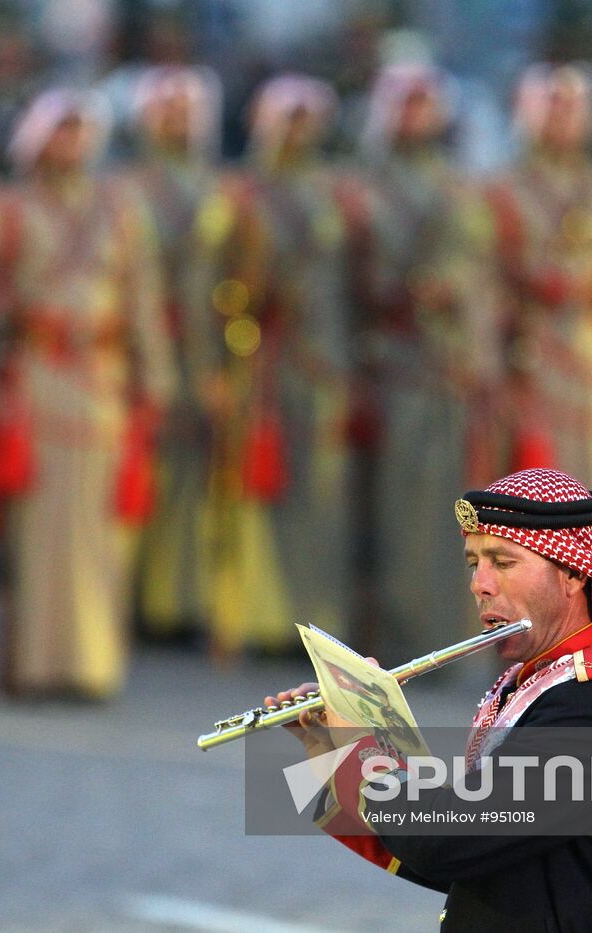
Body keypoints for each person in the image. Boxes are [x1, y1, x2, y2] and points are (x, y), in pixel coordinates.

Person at [270, 468, 592, 931]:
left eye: (503, 563)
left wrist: (362, 750)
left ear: (572, 572)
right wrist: (329, 753)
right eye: (474, 563)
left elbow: (447, 840)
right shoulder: (546, 687)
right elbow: (469, 859)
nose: (479, 584)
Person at [0, 88, 174, 699]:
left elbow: (143, 298)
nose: (69, 142)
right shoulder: (9, 209)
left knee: (100, 532)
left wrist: (158, 378)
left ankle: (92, 665)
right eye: (58, 130)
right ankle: (36, 665)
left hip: (103, 385)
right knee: (36, 531)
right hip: (37, 382)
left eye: (78, 130)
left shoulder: (122, 210)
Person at [206, 74, 356, 656]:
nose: (297, 130)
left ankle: (313, 620)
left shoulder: (334, 197)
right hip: (260, 365)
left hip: (322, 365)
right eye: (285, 118)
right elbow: (214, 285)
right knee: (256, 495)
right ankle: (255, 619)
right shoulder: (239, 198)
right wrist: (217, 361)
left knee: (320, 496)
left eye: (305, 119)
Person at [356, 63, 501, 663]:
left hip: (443, 371)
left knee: (449, 512)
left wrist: (477, 352)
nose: (414, 117)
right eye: (404, 105)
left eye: (424, 105)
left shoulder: (459, 193)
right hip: (384, 368)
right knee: (384, 512)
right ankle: (381, 638)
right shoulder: (359, 192)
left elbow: (483, 279)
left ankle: (439, 640)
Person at [485, 64, 592, 509]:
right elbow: (482, 285)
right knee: (530, 509)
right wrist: (487, 367)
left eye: (572, 108)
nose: (562, 118)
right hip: (529, 364)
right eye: (551, 107)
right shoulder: (499, 192)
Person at [121, 65, 225, 643]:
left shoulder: (218, 189)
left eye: (186, 107)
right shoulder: (125, 189)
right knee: (143, 468)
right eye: (165, 107)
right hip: (143, 343)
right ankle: (136, 598)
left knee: (194, 478)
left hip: (203, 349)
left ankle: (180, 599)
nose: (176, 118)